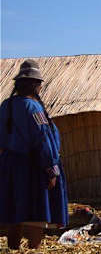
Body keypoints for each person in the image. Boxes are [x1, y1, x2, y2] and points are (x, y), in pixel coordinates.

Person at [0, 59, 69, 250]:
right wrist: (51, 169)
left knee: (14, 210)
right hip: (32, 165)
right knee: (36, 211)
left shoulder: (6, 105)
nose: (40, 87)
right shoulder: (34, 108)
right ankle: (34, 249)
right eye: (39, 84)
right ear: (34, 85)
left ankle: (12, 249)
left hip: (9, 165)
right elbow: (42, 139)